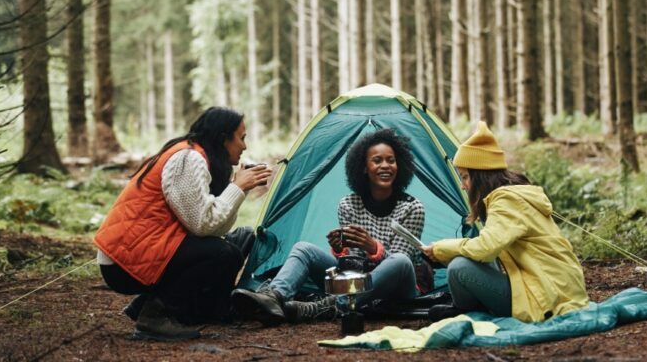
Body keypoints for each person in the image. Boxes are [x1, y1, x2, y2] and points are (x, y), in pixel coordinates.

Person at [94, 107, 272, 340]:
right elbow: (203, 225)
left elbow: (217, 228)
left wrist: (238, 189)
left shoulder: (196, 156)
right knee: (223, 253)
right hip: (123, 261)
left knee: (238, 240)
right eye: (242, 138)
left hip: (144, 249)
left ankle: (152, 305)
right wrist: (237, 188)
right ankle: (155, 315)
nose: (244, 146)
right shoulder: (189, 159)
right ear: (223, 138)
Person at [231, 128, 425, 326]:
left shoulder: (412, 208)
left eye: (391, 161)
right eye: (377, 160)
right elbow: (354, 267)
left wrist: (373, 248)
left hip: (399, 288)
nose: (386, 166)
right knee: (303, 249)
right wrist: (340, 251)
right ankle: (274, 296)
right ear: (364, 167)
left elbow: (402, 266)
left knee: (400, 261)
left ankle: (327, 307)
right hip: (359, 283)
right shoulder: (349, 205)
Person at [421, 122, 589, 322]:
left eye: (465, 177)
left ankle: (466, 311)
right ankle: (468, 308)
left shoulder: (507, 202)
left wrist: (441, 248)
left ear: (480, 175)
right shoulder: (512, 196)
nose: (464, 187)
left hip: (547, 295)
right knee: (471, 258)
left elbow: (485, 248)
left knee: (459, 268)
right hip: (552, 286)